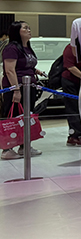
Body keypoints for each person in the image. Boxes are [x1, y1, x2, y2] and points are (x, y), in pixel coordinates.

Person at [2, 20, 41, 160]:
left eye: (29, 27)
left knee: (27, 117)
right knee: (13, 117)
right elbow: (10, 70)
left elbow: (25, 64)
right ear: (16, 32)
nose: (29, 30)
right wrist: (16, 90)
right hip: (16, 87)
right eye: (25, 28)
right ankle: (7, 148)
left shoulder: (27, 47)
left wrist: (35, 71)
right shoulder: (11, 48)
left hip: (29, 87)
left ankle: (24, 146)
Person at [61, 42, 81, 146]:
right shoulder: (70, 48)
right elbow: (70, 67)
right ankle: (74, 136)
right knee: (73, 108)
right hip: (71, 82)